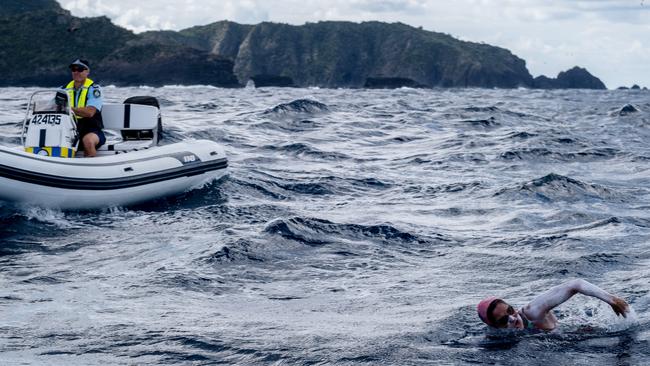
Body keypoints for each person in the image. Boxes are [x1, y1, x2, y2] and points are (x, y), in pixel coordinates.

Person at [477, 279, 630, 331]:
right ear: (495, 327)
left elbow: (575, 284)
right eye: (504, 320)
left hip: (581, 332)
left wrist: (611, 300)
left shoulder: (532, 312)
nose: (512, 318)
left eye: (510, 310)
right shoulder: (497, 339)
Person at [63, 58, 105, 157]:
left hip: (92, 130)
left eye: (80, 69)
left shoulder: (94, 89)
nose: (76, 72)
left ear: (87, 72)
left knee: (88, 141)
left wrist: (68, 109)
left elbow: (90, 112)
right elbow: (54, 107)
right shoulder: (63, 89)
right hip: (69, 130)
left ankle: (92, 169)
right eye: (74, 69)